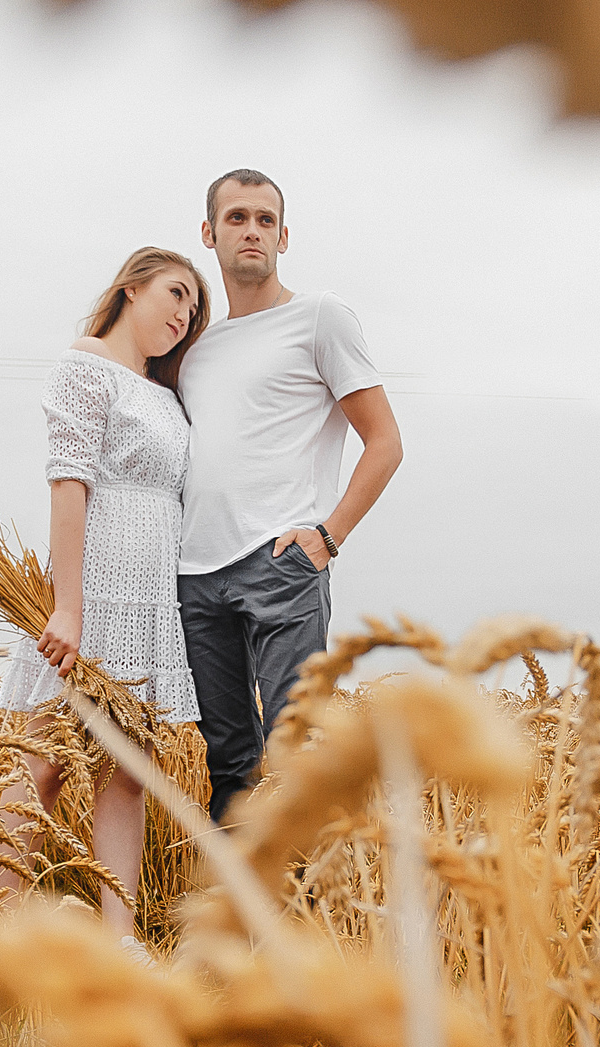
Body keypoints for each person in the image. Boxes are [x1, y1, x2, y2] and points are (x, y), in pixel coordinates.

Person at [0, 247, 209, 954]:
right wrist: (68, 607)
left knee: (127, 769)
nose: (185, 315)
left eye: (194, 310)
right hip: (95, 582)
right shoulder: (86, 365)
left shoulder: (164, 392)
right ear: (132, 286)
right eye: (177, 294)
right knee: (49, 756)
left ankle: (121, 939)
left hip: (150, 594)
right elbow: (68, 484)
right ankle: (5, 918)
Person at [177, 168, 404, 821]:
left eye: (265, 220)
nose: (252, 230)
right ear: (209, 233)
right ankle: (236, 917)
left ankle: (298, 918)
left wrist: (326, 538)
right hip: (196, 577)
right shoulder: (196, 350)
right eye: (237, 217)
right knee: (229, 764)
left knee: (293, 754)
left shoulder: (319, 319)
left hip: (281, 564)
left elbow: (385, 441)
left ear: (283, 237)